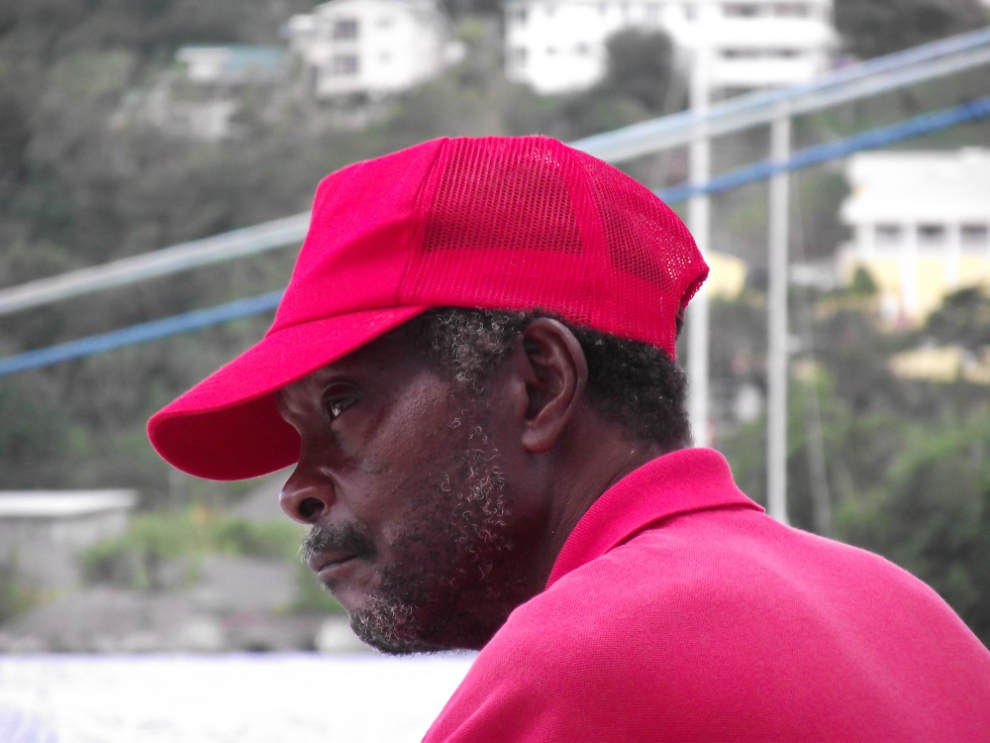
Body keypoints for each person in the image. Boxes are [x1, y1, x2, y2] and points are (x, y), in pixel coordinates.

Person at [149, 136, 990, 742]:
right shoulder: (911, 614)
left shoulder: (584, 660)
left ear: (541, 384)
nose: (297, 488)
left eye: (339, 406)